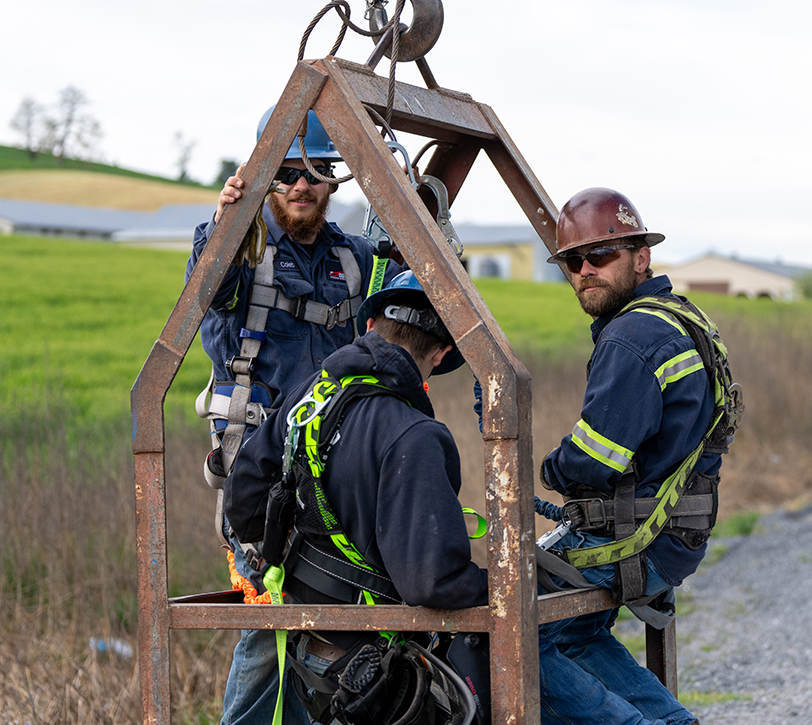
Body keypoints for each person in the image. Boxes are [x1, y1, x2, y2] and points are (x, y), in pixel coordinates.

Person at [185, 107, 403, 725]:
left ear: (333, 180)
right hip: (263, 480)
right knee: (270, 628)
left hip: (342, 478)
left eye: (315, 171)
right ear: (262, 178)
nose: (301, 185)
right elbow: (206, 290)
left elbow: (410, 336)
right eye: (284, 172)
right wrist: (232, 217)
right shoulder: (234, 249)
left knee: (348, 628)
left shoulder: (357, 259)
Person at [224, 270, 488, 725]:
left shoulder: (309, 400)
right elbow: (431, 583)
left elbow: (244, 495)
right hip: (371, 669)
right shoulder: (417, 435)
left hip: (305, 646)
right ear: (442, 352)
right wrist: (495, 586)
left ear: (369, 327)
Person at [533, 187, 734, 724]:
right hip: (675, 536)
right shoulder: (680, 318)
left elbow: (591, 461)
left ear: (641, 257)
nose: (584, 270)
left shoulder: (631, 337)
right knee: (573, 636)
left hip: (636, 541)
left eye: (601, 255)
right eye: (572, 261)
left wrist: (551, 467)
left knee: (512, 635)